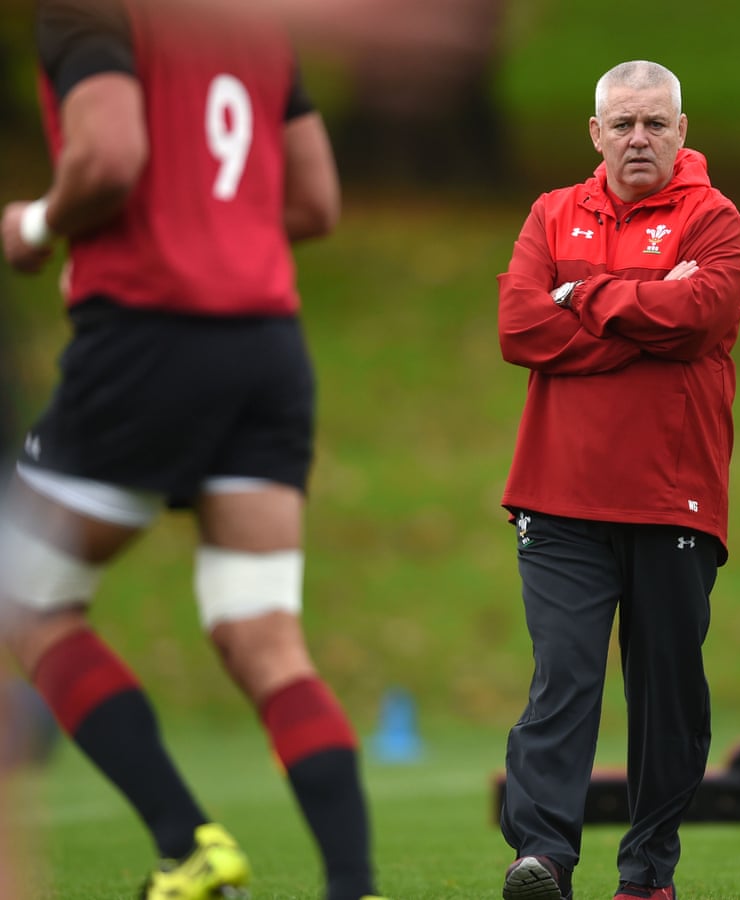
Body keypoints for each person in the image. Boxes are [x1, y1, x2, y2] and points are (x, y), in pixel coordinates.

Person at [0, 1, 385, 898]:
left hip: (146, 333)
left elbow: (109, 155)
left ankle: (186, 841)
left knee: (27, 600)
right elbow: (316, 202)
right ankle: (354, 885)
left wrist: (36, 225)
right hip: (266, 349)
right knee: (264, 635)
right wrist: (223, 231)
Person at [495, 60, 740, 900]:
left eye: (655, 124)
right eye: (623, 124)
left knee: (666, 697)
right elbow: (520, 327)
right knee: (562, 682)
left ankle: (646, 874)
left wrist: (579, 294)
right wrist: (643, 312)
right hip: (557, 496)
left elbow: (700, 318)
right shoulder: (551, 212)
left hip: (673, 496)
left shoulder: (713, 218)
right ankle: (543, 859)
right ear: (596, 134)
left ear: (682, 131)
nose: (639, 138)